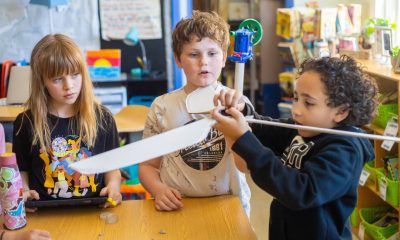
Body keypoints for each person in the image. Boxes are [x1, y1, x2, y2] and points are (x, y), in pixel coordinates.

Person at [212, 55, 378, 239]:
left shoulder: (345, 150)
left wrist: (244, 139)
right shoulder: (306, 128)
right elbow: (269, 129)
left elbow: (301, 191)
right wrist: (243, 114)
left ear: (341, 112)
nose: (296, 109)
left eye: (308, 103)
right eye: (296, 98)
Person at [138, 10, 251, 214]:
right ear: (178, 60)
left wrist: (237, 124)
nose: (204, 62)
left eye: (212, 53)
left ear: (224, 58)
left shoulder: (239, 103)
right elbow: (147, 166)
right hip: (179, 207)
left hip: (230, 207)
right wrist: (159, 189)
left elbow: (245, 166)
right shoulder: (162, 106)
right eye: (193, 54)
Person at [12, 34, 122, 211]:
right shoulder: (25, 123)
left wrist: (114, 187)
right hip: (44, 214)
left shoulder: (103, 118)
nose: (69, 85)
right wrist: (24, 191)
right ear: (42, 81)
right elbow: (22, 169)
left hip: (94, 211)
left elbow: (112, 168)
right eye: (57, 79)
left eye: (75, 75)